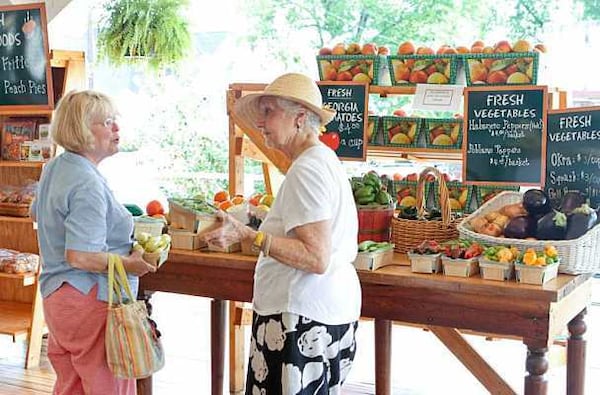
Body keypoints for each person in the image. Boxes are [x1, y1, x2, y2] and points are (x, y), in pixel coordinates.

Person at [206, 73, 361, 393]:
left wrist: (250, 236)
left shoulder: (306, 170)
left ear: (300, 118)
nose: (261, 123)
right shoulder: (321, 160)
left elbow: (315, 257)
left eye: (269, 111)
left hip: (299, 320)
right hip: (320, 312)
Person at [31, 90, 156, 395]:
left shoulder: (56, 169)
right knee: (109, 387)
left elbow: (39, 214)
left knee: (72, 386)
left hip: (58, 298)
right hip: (89, 298)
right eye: (107, 122)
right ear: (83, 130)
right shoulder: (86, 181)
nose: (116, 129)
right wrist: (131, 264)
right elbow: (80, 256)